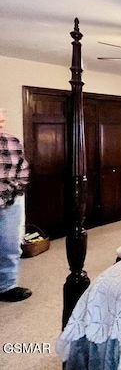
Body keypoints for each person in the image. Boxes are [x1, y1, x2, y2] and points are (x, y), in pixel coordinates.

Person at [0, 108, 32, 302]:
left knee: (10, 245)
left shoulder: (11, 141)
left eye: (3, 118)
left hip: (11, 201)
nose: (3, 121)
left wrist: (16, 190)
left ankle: (7, 286)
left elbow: (23, 169)